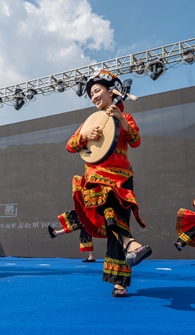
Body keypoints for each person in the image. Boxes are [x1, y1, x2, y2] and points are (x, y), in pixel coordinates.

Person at [67, 70, 151, 297]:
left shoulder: (126, 118)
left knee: (119, 223)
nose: (93, 96)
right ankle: (132, 244)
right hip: (96, 174)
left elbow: (135, 141)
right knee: (110, 212)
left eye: (97, 91)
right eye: (91, 93)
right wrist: (85, 136)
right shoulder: (90, 121)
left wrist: (122, 120)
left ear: (111, 91)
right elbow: (71, 145)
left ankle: (119, 282)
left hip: (122, 177)